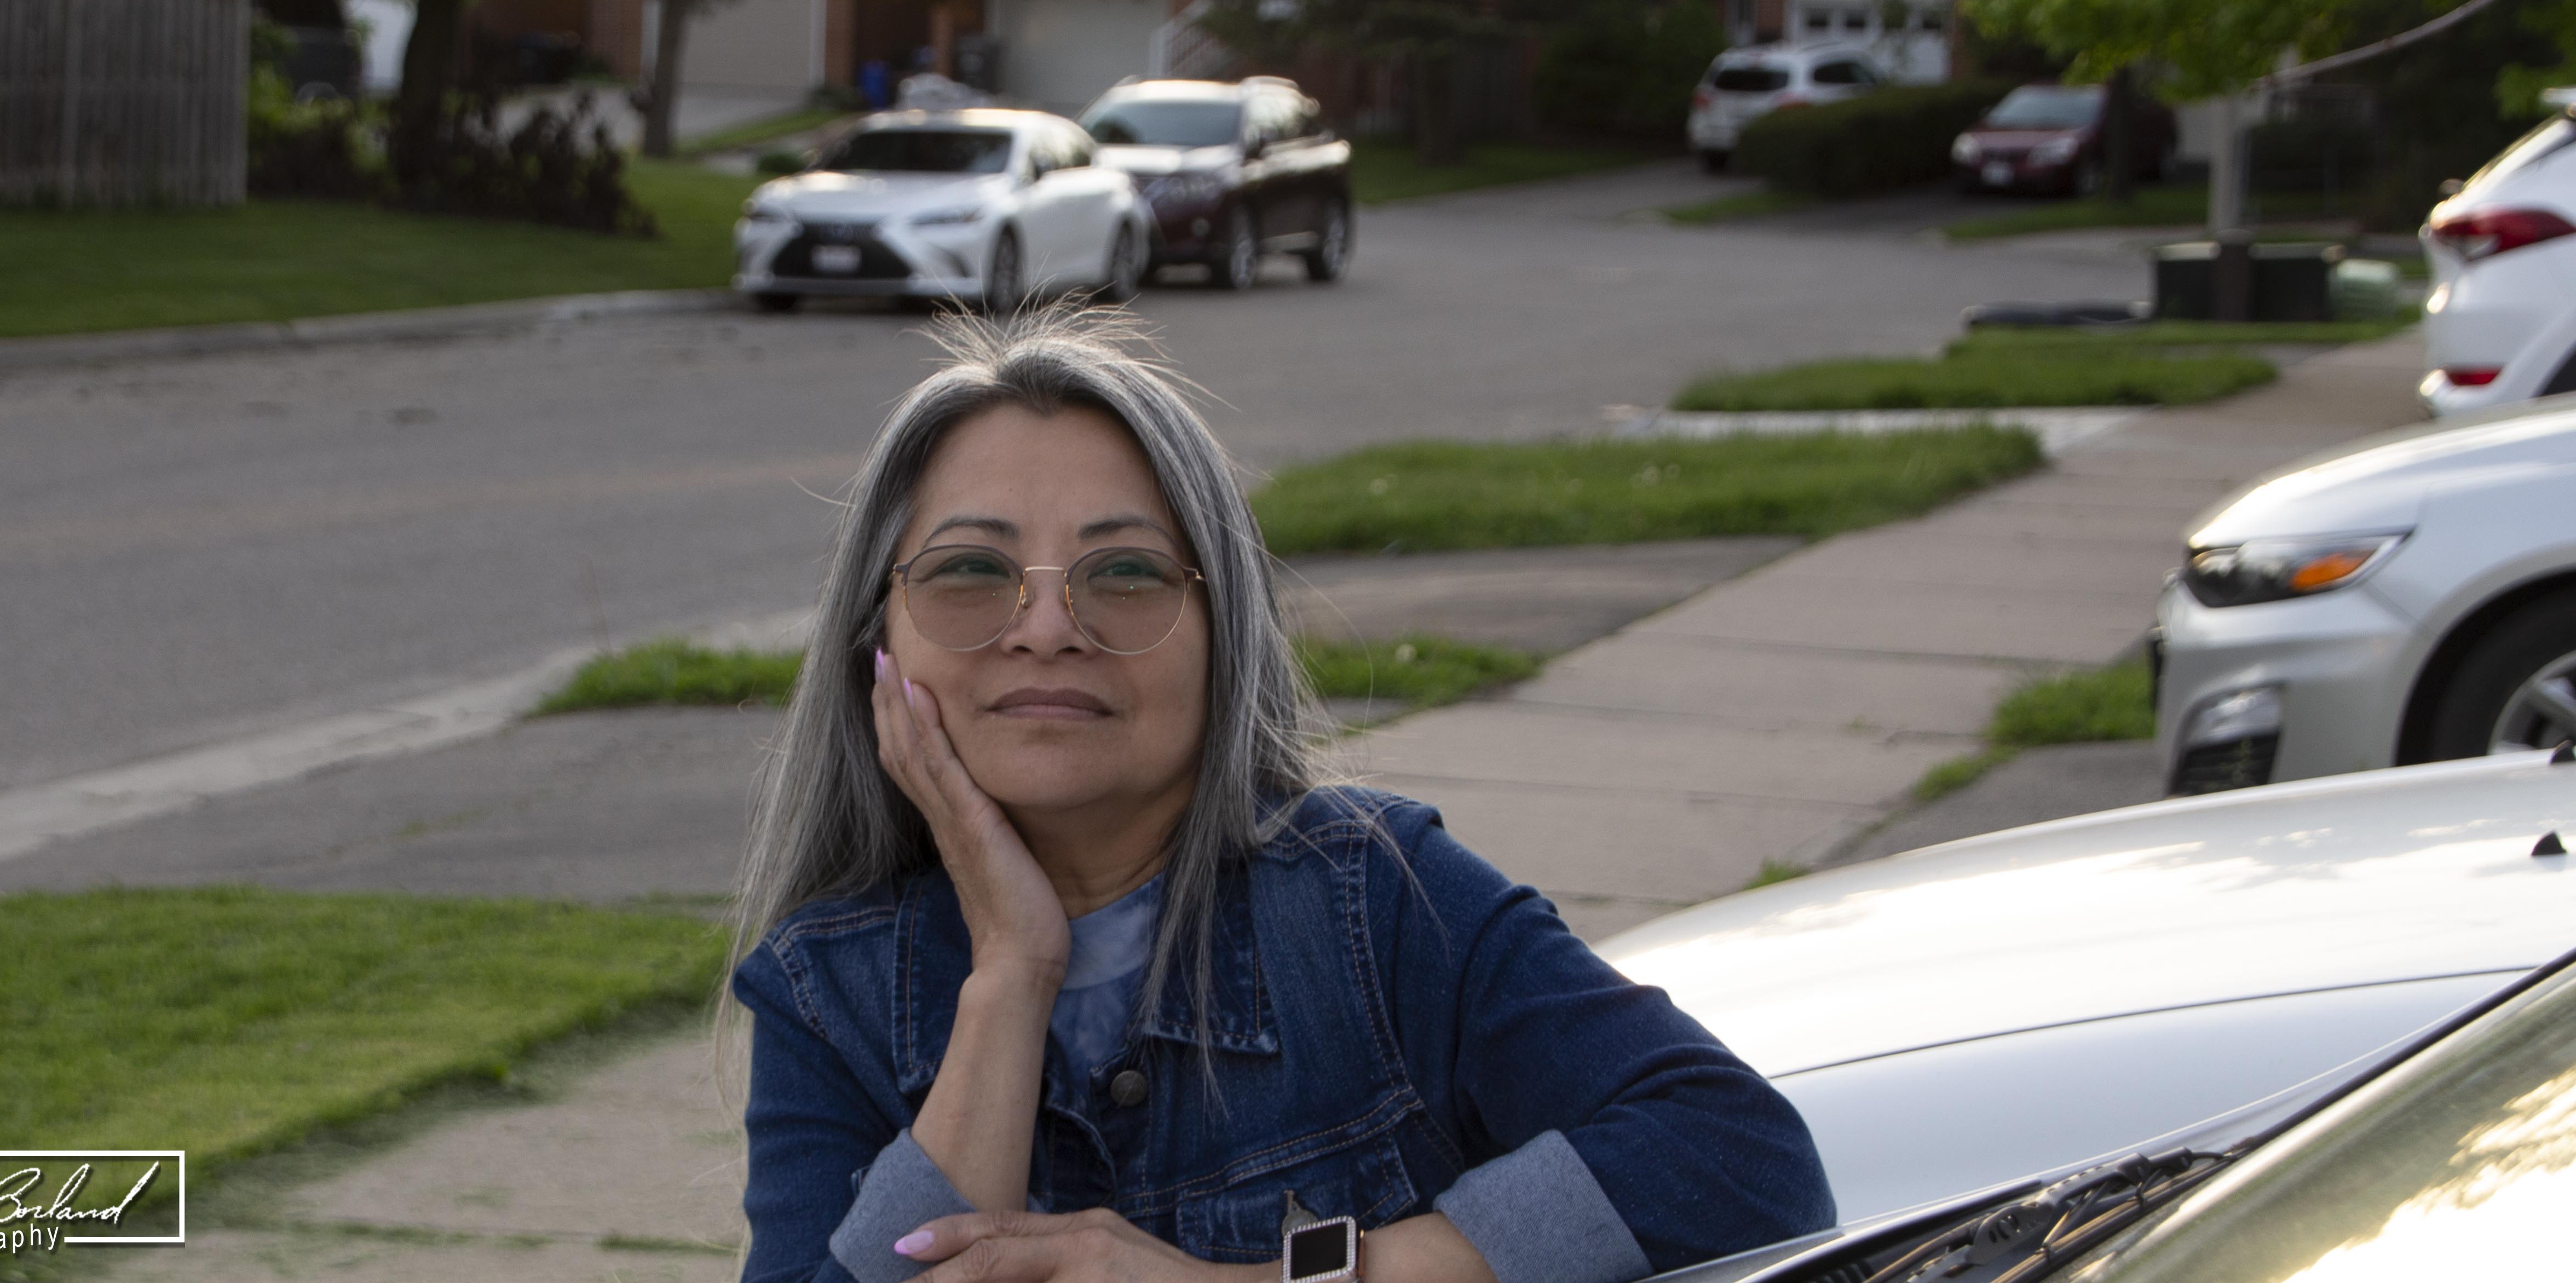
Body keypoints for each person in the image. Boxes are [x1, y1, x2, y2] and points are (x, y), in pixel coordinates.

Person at [734, 314, 1834, 1283]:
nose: (1047, 627)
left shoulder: (1377, 899)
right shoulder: (826, 989)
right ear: (878, 641)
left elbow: (1738, 1158)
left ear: (1228, 640)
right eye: (971, 570)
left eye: (1125, 574)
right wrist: (1013, 977)